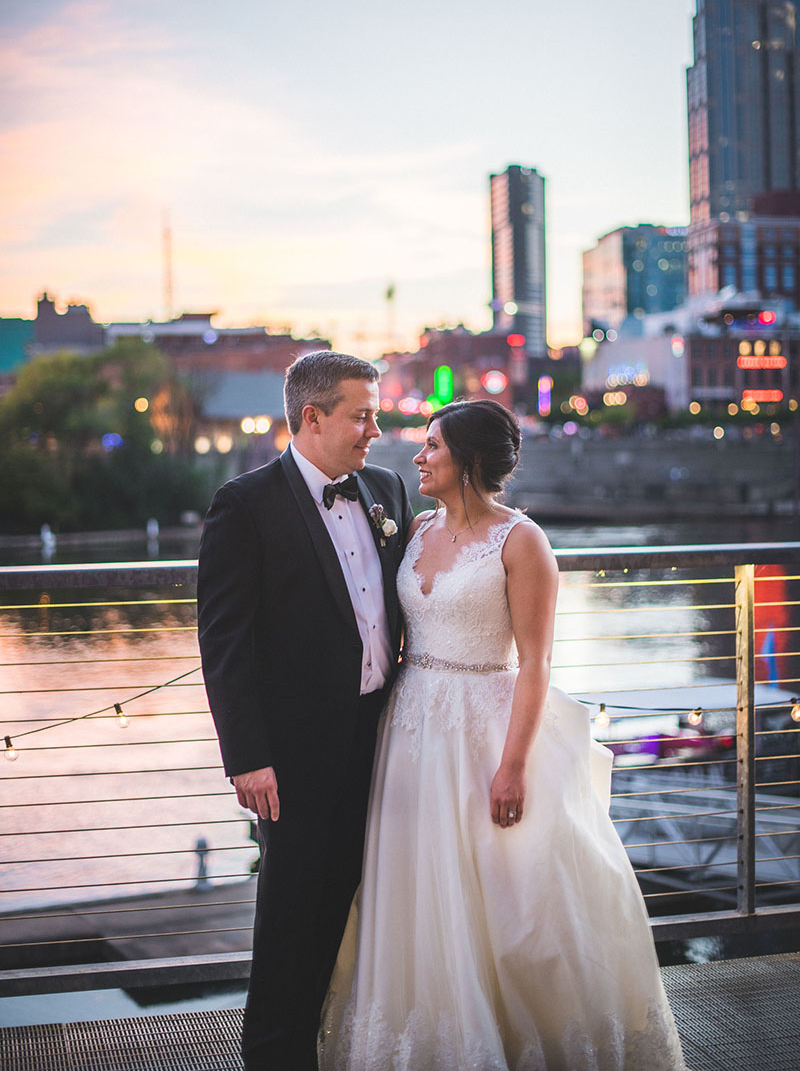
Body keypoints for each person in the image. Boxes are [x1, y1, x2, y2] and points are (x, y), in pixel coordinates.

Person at [320, 399, 688, 1071]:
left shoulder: (522, 542)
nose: (418, 457)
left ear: (469, 460)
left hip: (487, 730)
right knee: (418, 882)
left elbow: (537, 663)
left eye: (432, 446)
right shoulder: (415, 528)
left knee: (509, 895)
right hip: (410, 730)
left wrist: (513, 765)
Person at [197, 350, 413, 1071]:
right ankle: (273, 1058)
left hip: (384, 744)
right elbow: (224, 642)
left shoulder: (384, 488)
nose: (375, 429)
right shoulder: (245, 504)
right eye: (362, 415)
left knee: (356, 913)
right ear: (312, 417)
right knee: (289, 924)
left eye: (376, 413)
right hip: (291, 759)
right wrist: (248, 757)